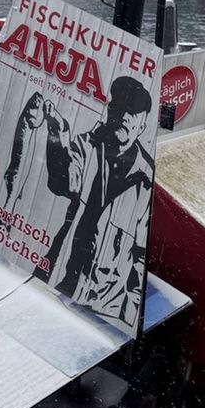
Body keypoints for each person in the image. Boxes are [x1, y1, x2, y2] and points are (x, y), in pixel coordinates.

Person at [31, 75, 156, 328]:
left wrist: (127, 316)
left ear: (142, 124)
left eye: (131, 112)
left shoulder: (147, 180)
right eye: (118, 106)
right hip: (61, 282)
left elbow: (140, 256)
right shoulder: (85, 145)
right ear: (110, 109)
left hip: (104, 308)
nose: (122, 116)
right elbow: (62, 180)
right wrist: (57, 133)